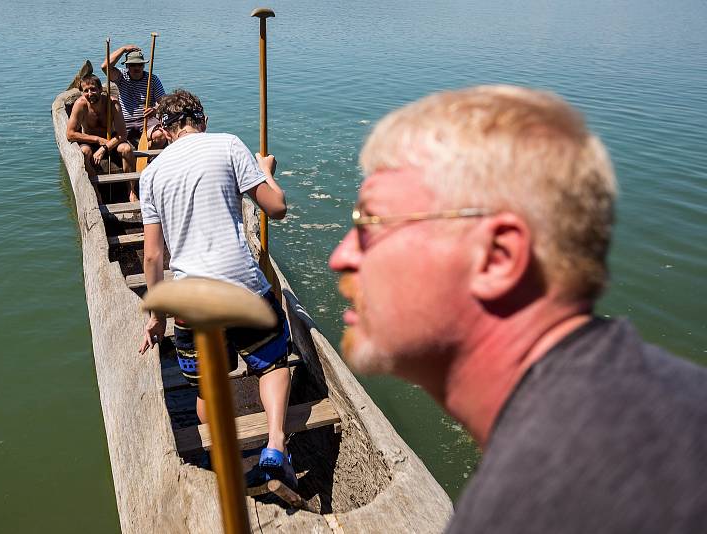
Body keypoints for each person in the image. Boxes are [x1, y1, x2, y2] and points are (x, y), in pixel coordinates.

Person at [329, 85, 707, 533]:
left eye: (370, 224)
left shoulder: (540, 504)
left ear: (496, 259)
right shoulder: (666, 400)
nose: (341, 256)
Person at [138, 89, 296, 488]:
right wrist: (266, 169)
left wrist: (156, 317)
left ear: (164, 130)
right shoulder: (228, 145)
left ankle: (225, 460)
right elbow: (276, 208)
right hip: (243, 288)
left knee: (209, 389)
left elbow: (153, 257)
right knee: (273, 363)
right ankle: (275, 444)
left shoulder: (152, 175)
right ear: (202, 121)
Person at [66, 74, 135, 200]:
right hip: (90, 140)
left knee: (127, 149)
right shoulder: (80, 104)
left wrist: (104, 148)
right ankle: (96, 192)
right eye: (86, 91)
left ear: (100, 90)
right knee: (84, 152)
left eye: (93, 89)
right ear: (82, 92)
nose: (90, 93)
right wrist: (97, 140)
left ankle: (131, 190)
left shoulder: (112, 103)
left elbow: (122, 134)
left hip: (111, 140)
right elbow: (70, 134)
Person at [102, 44, 167, 149]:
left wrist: (155, 109)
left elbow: (164, 102)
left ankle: (144, 152)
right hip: (125, 121)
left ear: (143, 65)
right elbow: (105, 66)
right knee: (119, 145)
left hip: (147, 121)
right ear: (127, 66)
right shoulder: (121, 76)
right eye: (133, 65)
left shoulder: (152, 79)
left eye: (139, 65)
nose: (136, 68)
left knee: (160, 136)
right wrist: (123, 49)